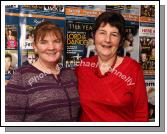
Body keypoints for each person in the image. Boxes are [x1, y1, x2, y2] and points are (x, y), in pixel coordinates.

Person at [76, 12, 149, 122]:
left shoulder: (133, 68)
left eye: (114, 34)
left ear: (120, 40)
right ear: (93, 35)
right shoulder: (82, 66)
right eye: (102, 33)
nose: (107, 40)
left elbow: (141, 114)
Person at [5, 21, 80, 122]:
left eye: (56, 41)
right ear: (35, 47)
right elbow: (10, 121)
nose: (51, 47)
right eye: (44, 42)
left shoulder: (69, 73)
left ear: (62, 45)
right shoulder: (21, 77)